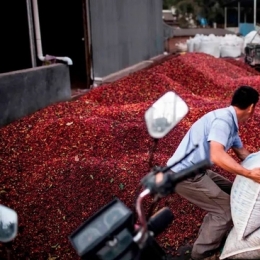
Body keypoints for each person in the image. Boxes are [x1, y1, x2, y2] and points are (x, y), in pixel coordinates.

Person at [166, 86, 260, 260]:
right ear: (251, 107)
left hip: (197, 172)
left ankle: (209, 237)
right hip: (184, 175)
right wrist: (248, 174)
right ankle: (201, 255)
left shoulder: (231, 124)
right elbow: (216, 155)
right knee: (225, 210)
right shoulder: (223, 121)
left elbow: (243, 154)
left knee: (234, 193)